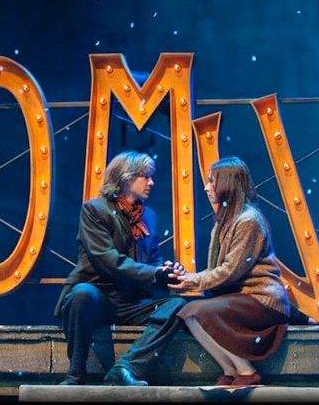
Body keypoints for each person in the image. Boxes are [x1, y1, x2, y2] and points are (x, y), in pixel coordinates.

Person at [53, 151, 187, 386]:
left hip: (131, 302)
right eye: (145, 176)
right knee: (81, 294)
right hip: (99, 295)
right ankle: (75, 374)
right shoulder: (94, 210)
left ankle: (125, 368)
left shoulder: (149, 217)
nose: (151, 182)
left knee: (177, 305)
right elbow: (108, 260)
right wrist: (153, 273)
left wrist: (165, 269)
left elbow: (153, 259)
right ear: (126, 178)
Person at [167, 156, 290, 387]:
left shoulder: (248, 220)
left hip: (260, 298)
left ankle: (247, 371)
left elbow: (231, 270)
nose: (206, 187)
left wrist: (192, 280)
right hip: (240, 297)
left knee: (198, 311)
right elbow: (218, 269)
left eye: (212, 181)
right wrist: (186, 280)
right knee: (188, 313)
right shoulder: (224, 221)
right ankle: (230, 369)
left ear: (228, 184)